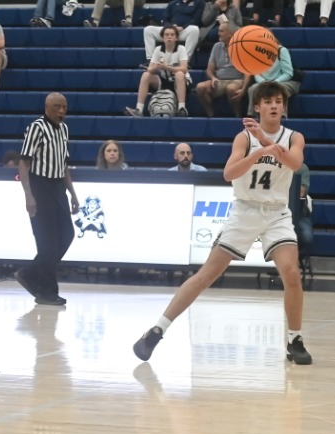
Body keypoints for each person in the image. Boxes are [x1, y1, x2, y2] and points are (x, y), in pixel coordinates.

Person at [133, 81, 313, 366]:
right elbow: (229, 174)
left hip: (277, 213)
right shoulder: (244, 138)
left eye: (278, 101)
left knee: (291, 273)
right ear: (257, 107)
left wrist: (265, 142)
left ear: (284, 107)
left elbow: (294, 164)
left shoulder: (294, 137)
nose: (274, 106)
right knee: (207, 274)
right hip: (245, 211)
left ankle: (295, 339)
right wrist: (257, 152)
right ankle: (156, 331)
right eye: (268, 102)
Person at [15, 93, 80, 306]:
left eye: (64, 107)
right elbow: (23, 163)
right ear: (47, 108)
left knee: (67, 235)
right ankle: (47, 292)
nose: (61, 111)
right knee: (47, 243)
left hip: (58, 187)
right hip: (39, 186)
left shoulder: (64, 129)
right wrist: (28, 195)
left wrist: (73, 194)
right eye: (56, 107)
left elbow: (64, 165)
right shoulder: (37, 128)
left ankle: (30, 273)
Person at [125, 26, 190, 117]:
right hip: (165, 81)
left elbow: (184, 69)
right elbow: (150, 69)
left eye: (172, 35)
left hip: (181, 82)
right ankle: (139, 109)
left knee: (179, 74)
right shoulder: (158, 49)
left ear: (176, 38)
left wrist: (166, 67)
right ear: (163, 38)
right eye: (166, 35)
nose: (169, 37)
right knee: (146, 75)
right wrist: (157, 67)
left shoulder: (181, 48)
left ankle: (182, 108)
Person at [195, 22, 250, 117]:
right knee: (200, 87)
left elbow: (248, 72)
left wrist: (244, 89)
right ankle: (211, 115)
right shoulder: (216, 46)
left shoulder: (242, 47)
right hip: (219, 80)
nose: (218, 33)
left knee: (231, 88)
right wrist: (213, 78)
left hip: (237, 80)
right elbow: (209, 70)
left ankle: (238, 115)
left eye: (221, 31)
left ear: (230, 34)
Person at [246, 45, 300, 118]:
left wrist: (275, 82)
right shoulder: (256, 51)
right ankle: (252, 116)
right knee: (253, 88)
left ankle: (282, 116)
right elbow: (256, 73)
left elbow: (288, 73)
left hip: (284, 81)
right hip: (265, 82)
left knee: (279, 88)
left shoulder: (281, 50)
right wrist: (264, 82)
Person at [294, 163, 313, 262]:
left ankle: (296, 258)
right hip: (273, 211)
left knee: (306, 236)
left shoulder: (301, 168)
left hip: (298, 212)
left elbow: (302, 192)